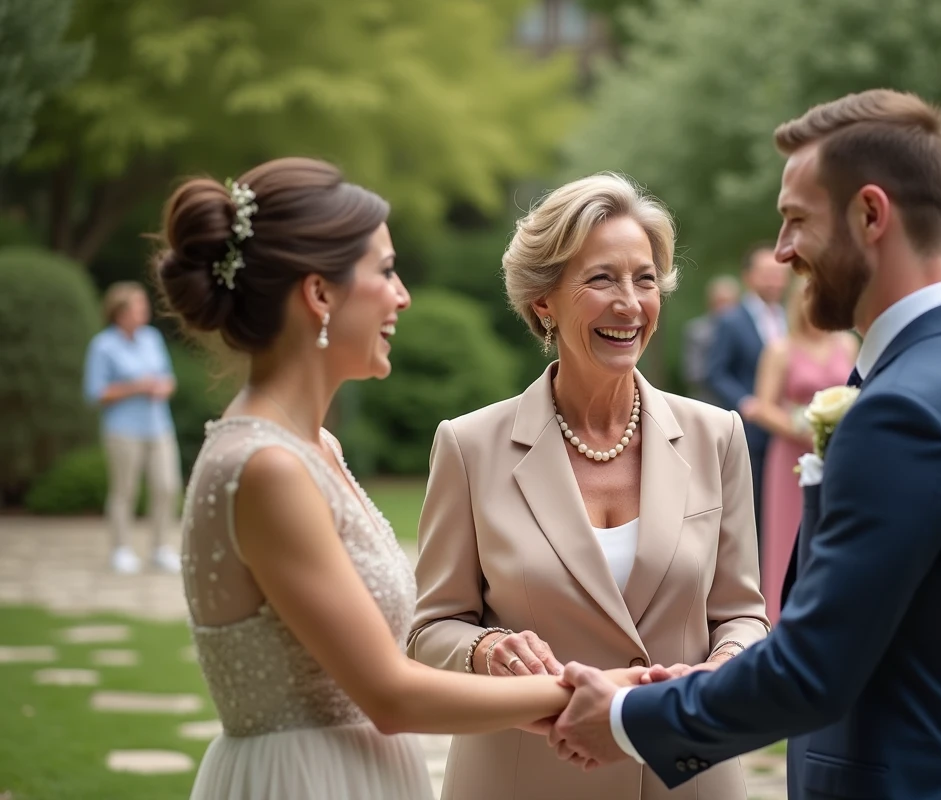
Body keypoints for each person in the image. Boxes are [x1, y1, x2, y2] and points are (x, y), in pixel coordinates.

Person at [547, 89, 941, 800]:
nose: (784, 251)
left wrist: (626, 717)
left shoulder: (902, 412)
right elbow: (905, 639)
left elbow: (812, 672)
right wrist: (713, 681)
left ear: (871, 215)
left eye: (797, 219)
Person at [155, 157, 648, 800]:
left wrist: (544, 706)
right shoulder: (266, 467)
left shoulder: (316, 449)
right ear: (320, 294)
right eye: (385, 271)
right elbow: (390, 694)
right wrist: (595, 696)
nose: (402, 296)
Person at [407, 172, 770, 800]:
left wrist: (720, 670)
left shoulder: (718, 435)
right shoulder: (469, 446)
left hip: (686, 774)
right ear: (543, 300)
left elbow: (742, 614)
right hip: (523, 780)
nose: (629, 303)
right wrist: (488, 648)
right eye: (602, 279)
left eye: (645, 279)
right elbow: (430, 629)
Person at [747, 277, 856, 624]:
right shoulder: (780, 349)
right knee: (790, 535)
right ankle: (784, 620)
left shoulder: (847, 343)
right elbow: (762, 406)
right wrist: (803, 428)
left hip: (839, 455)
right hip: (791, 460)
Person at [83, 281, 183, 574]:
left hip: (159, 427)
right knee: (124, 490)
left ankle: (161, 548)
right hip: (123, 430)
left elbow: (168, 379)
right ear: (120, 312)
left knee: (167, 487)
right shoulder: (103, 346)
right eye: (138, 306)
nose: (144, 310)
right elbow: (95, 393)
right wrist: (136, 387)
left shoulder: (152, 338)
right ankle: (121, 549)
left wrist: (163, 388)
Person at [705, 243, 792, 545]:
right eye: (767, 273)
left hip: (789, 432)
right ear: (749, 277)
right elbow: (715, 372)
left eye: (779, 274)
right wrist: (745, 403)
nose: (774, 281)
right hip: (750, 435)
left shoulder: (792, 319)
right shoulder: (731, 320)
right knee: (754, 515)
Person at [681, 275, 740, 404]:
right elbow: (693, 373)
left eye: (730, 303)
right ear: (710, 303)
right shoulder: (697, 332)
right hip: (707, 402)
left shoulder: (744, 334)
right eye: (721, 302)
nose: (725, 308)